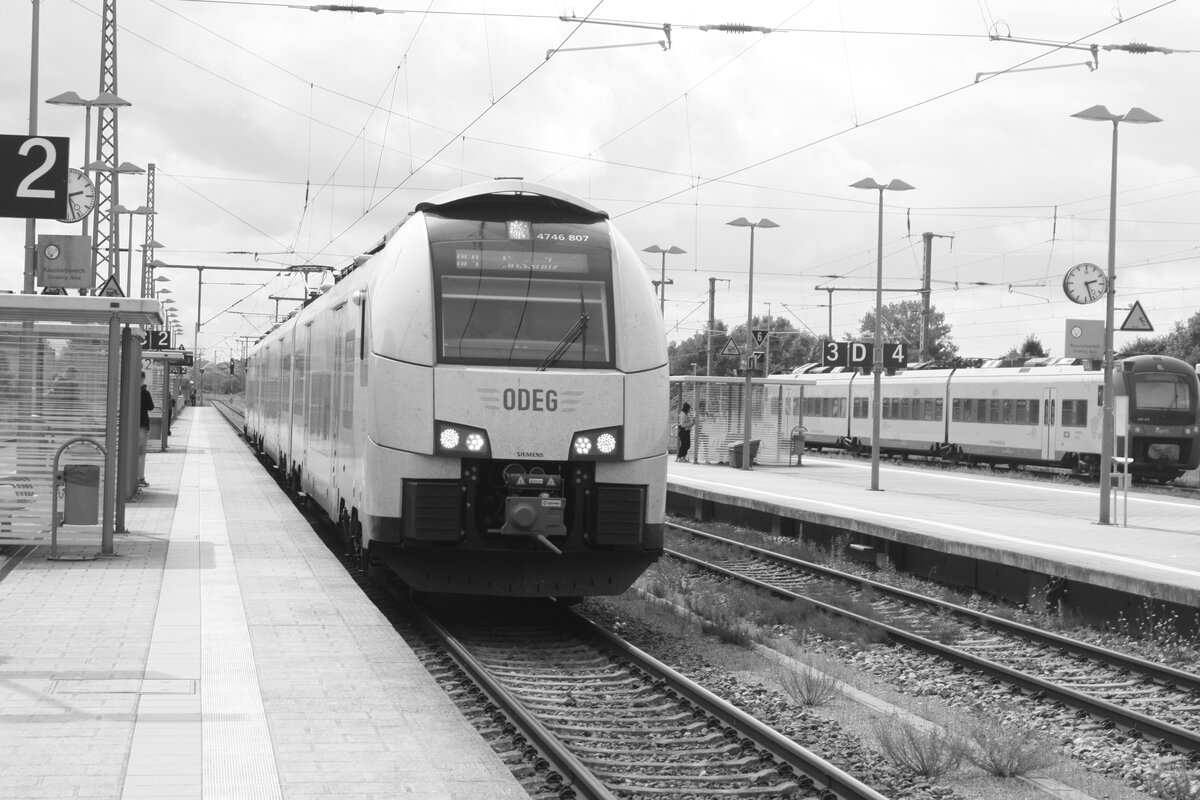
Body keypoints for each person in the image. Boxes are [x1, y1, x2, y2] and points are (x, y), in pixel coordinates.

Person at [138, 373, 154, 488]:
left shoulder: (126, 390)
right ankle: (140, 478)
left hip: (126, 427)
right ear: (143, 379)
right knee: (140, 453)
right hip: (142, 426)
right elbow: (151, 407)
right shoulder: (144, 392)